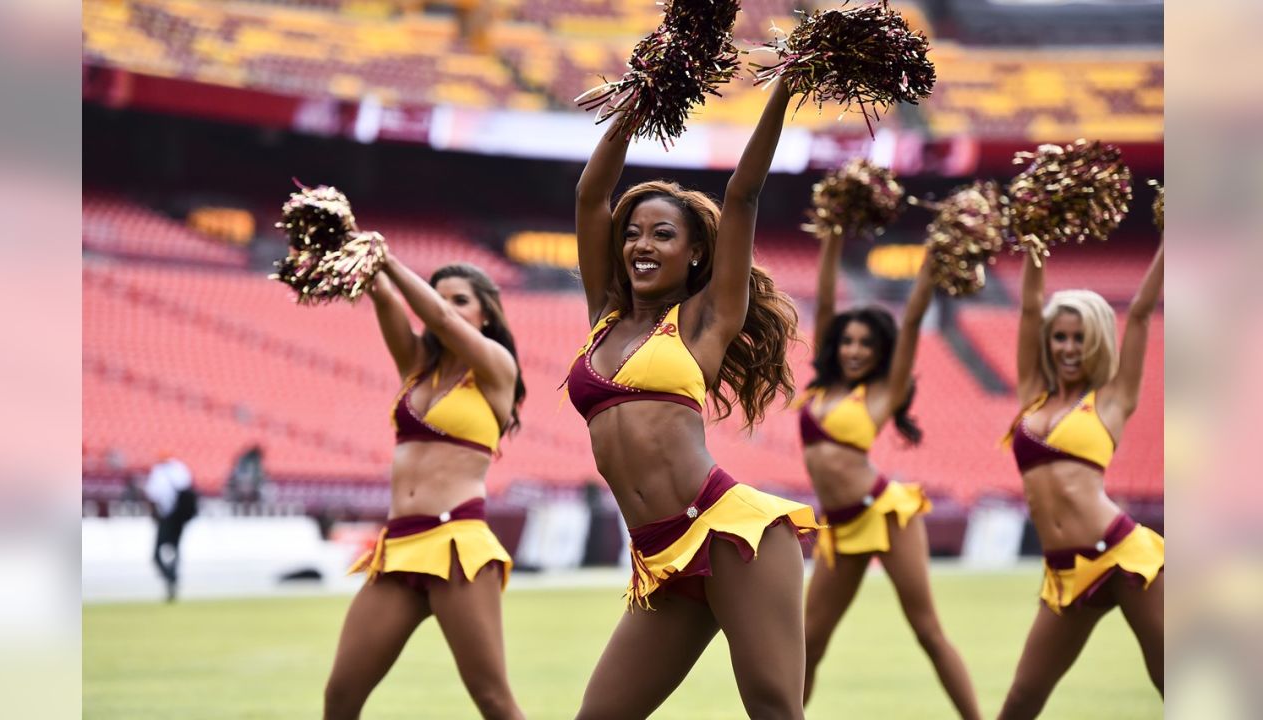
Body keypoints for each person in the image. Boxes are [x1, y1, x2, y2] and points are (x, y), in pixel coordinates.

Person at [568, 81, 820, 719]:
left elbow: (742, 194)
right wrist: (640, 98)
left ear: (695, 251)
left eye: (661, 234)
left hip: (729, 532)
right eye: (632, 234)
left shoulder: (706, 319)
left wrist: (786, 87)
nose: (641, 245)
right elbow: (591, 195)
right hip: (658, 557)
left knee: (774, 710)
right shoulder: (604, 312)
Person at [323, 258, 527, 720]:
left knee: (493, 700)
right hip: (398, 548)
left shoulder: (496, 369)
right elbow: (383, 294)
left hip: (456, 544)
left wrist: (388, 258)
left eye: (459, 299)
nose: (444, 306)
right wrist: (354, 244)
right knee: (340, 696)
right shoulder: (417, 365)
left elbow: (438, 317)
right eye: (438, 294)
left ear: (486, 315)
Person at [798, 237, 980, 716]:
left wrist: (934, 262)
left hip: (884, 515)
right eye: (849, 341)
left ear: (881, 352)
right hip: (839, 528)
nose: (855, 350)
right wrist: (833, 237)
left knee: (927, 631)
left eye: (866, 344)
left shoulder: (883, 393)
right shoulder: (822, 387)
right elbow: (823, 299)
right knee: (807, 645)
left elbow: (915, 319)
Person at [997, 240, 1165, 719]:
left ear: (1096, 342)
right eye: (1060, 337)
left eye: (1079, 338)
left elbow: (1142, 309)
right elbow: (1030, 308)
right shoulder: (1031, 393)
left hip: (1121, 555)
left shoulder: (1112, 400)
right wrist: (1037, 237)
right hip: (1066, 574)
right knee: (1022, 700)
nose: (1068, 348)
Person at [144, 452, 197, 602]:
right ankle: (173, 576)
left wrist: (155, 515)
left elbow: (153, 495)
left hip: (167, 517)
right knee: (174, 549)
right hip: (179, 518)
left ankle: (171, 577)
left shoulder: (159, 473)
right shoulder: (180, 469)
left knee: (157, 554)